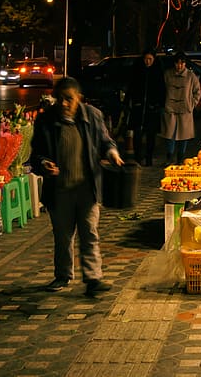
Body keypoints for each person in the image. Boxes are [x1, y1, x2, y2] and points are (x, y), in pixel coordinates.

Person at [31, 77, 124, 297]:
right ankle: (63, 275)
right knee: (63, 236)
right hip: (59, 190)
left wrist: (112, 153)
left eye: (68, 99)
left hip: (86, 188)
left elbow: (105, 141)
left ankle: (93, 279)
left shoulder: (92, 115)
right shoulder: (46, 121)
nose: (63, 103)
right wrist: (44, 164)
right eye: (59, 99)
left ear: (78, 99)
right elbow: (35, 155)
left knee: (89, 233)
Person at [160, 52, 201, 165]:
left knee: (184, 136)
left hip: (185, 109)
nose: (180, 66)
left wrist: (191, 104)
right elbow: (161, 90)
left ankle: (180, 158)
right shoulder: (167, 74)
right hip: (170, 109)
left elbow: (197, 92)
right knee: (169, 135)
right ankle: (169, 157)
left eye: (182, 63)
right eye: (177, 63)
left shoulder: (191, 76)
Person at [127, 49, 165, 166]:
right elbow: (131, 87)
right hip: (139, 107)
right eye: (146, 59)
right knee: (138, 134)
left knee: (151, 135)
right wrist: (131, 102)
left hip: (151, 108)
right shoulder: (138, 71)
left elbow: (161, 90)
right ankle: (138, 157)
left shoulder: (157, 72)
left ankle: (149, 157)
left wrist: (158, 104)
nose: (147, 62)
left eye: (150, 59)